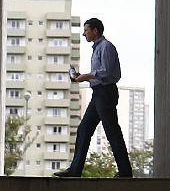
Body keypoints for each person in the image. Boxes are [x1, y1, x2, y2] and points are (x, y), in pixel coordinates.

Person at [54, 18, 133, 178]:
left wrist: (86, 76)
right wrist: (83, 77)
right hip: (98, 93)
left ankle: (125, 171)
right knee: (84, 129)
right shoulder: (98, 49)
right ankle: (75, 170)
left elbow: (107, 72)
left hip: (106, 92)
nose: (84, 34)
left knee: (112, 131)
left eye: (86, 30)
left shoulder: (106, 47)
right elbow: (100, 73)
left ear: (95, 30)